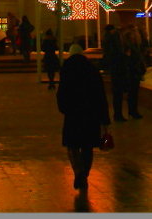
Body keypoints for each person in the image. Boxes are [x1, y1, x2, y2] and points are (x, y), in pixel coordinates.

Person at [57, 42, 110, 192]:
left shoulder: (66, 70)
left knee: (72, 146)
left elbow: (62, 93)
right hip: (91, 115)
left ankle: (78, 171)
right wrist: (104, 119)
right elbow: (100, 95)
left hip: (73, 115)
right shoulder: (92, 70)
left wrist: (64, 108)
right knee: (87, 147)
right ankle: (85, 174)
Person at [103, 24, 129, 122]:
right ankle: (118, 114)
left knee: (117, 93)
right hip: (118, 68)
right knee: (118, 92)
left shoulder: (107, 39)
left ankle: (117, 114)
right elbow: (118, 52)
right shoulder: (113, 39)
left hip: (114, 68)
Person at [122, 26, 147, 119]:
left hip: (133, 72)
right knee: (133, 92)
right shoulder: (132, 48)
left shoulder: (130, 47)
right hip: (133, 72)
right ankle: (133, 111)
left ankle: (132, 111)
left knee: (133, 93)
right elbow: (134, 60)